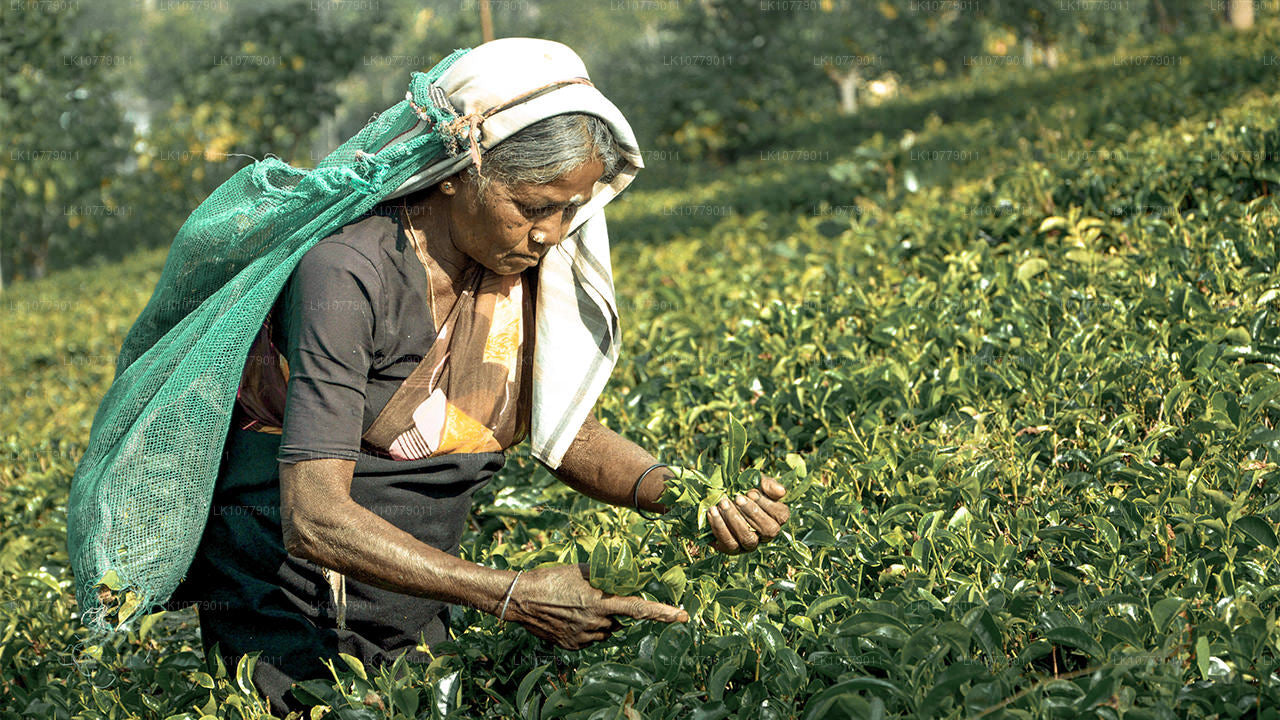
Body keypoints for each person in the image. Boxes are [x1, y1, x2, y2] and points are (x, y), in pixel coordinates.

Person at [168, 38, 792, 715]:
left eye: (569, 209)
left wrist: (696, 498)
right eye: (531, 206)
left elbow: (563, 431)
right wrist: (512, 592)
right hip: (289, 608)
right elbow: (315, 516)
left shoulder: (517, 267)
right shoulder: (348, 274)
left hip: (417, 589)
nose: (552, 233)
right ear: (455, 173)